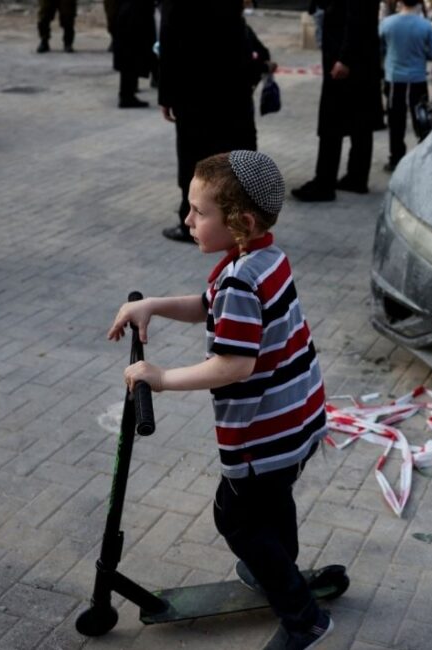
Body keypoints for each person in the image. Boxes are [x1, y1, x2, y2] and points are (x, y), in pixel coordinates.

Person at [107, 151, 332, 650]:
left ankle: (303, 617)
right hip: (299, 419)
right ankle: (278, 565)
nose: (187, 220)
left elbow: (234, 365)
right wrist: (154, 306)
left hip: (263, 432)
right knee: (272, 501)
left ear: (241, 222)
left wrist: (160, 378)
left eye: (199, 212)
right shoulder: (262, 260)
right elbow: (209, 308)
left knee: (235, 517)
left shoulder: (238, 280)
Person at [158, 0, 259, 242]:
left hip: (194, 88)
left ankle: (193, 223)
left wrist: (166, 94)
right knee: (229, 153)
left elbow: (169, 39)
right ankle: (234, 222)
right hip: (230, 85)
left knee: (195, 157)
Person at [291, 0, 382, 202]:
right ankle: (356, 177)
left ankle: (324, 183)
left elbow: (357, 18)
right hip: (360, 60)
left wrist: (345, 58)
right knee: (360, 121)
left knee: (332, 122)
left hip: (346, 60)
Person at [379, 0, 432, 171]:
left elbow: (380, 47)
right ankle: (424, 158)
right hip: (417, 79)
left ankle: (396, 158)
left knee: (395, 121)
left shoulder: (387, 24)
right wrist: (421, 53)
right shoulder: (425, 26)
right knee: (421, 119)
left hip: (394, 79)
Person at [112, 0, 156, 108]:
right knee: (132, 56)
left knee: (131, 56)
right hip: (135, 15)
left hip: (132, 13)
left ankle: (128, 92)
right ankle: (127, 96)